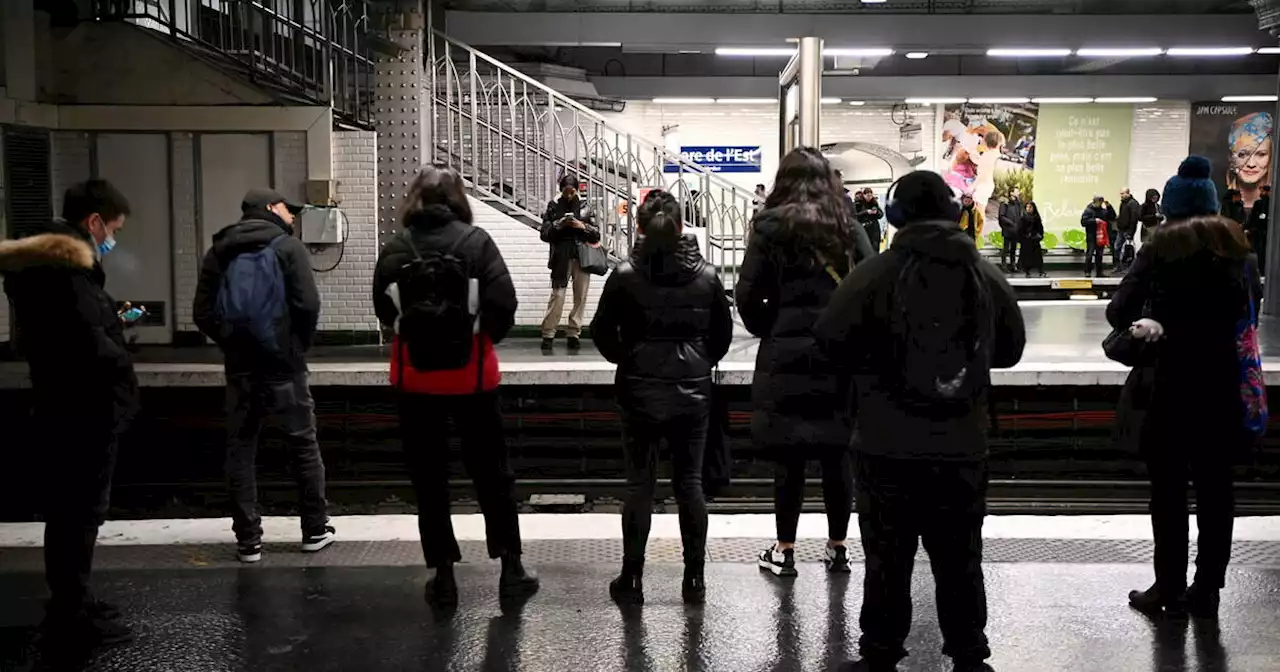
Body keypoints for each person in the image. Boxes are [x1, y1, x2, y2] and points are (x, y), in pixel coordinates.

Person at [816, 170, 1026, 672]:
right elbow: (1011, 350)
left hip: (887, 445)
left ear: (895, 216)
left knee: (888, 558)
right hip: (962, 445)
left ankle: (882, 652)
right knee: (960, 557)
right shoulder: (984, 274)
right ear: (954, 213)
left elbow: (829, 341)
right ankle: (969, 654)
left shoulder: (874, 274)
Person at [372, 163, 539, 607]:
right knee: (492, 475)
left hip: (415, 380)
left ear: (414, 199)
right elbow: (505, 303)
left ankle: (444, 576)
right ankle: (511, 570)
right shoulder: (476, 243)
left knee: (429, 478)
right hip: (473, 377)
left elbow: (385, 312)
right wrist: (480, 339)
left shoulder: (395, 248)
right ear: (458, 200)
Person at [1112, 155, 1255, 620]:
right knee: (1217, 492)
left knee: (1168, 492)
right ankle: (1208, 589)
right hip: (1221, 387)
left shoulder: (1159, 249)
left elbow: (1119, 311)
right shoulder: (1239, 253)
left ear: (1171, 206)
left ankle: (1168, 586)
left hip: (1167, 388)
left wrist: (1152, 319)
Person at [0, 180, 139, 650]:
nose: (111, 240)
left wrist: (108, 322)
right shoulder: (66, 272)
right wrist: (119, 358)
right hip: (83, 408)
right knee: (78, 513)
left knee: (71, 512)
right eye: (112, 230)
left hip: (66, 403)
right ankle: (70, 613)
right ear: (94, 222)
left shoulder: (44, 268)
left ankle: (73, 599)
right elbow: (86, 343)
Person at [591, 189, 734, 606]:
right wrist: (697, 361)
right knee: (690, 484)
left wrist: (630, 358)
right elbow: (721, 337)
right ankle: (694, 582)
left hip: (639, 389)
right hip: (692, 391)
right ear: (681, 226)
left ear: (638, 226)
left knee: (640, 484)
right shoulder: (706, 276)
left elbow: (601, 331)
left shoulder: (624, 274)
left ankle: (631, 580)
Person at [735, 147, 859, 578]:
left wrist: (774, 326)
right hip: (840, 354)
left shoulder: (769, 228)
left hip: (785, 355)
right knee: (836, 452)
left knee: (789, 456)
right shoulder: (847, 226)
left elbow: (748, 296)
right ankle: (839, 547)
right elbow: (867, 284)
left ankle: (785, 550)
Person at [193, 189, 332, 563]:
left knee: (241, 447)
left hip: (240, 367)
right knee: (302, 444)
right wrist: (295, 345)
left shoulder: (219, 251)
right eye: (289, 209)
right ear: (271, 208)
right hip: (284, 365)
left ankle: (249, 541)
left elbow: (201, 312)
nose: (292, 216)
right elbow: (308, 304)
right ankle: (315, 530)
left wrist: (231, 342)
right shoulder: (288, 248)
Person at [540, 174, 600, 353]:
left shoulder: (585, 207)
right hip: (561, 257)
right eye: (566, 190)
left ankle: (574, 333)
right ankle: (548, 333)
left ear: (576, 190)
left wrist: (582, 226)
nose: (568, 194)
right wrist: (558, 224)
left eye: (572, 191)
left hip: (582, 256)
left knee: (580, 296)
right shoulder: (553, 206)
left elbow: (596, 234)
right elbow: (544, 234)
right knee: (558, 295)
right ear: (561, 189)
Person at [1080, 195, 1116, 278]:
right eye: (1099, 202)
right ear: (1095, 202)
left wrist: (1109, 207)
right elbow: (1083, 222)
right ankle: (1087, 271)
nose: (1100, 204)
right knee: (1090, 253)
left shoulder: (1103, 211)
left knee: (1099, 254)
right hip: (1091, 235)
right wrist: (1094, 221)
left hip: (1101, 236)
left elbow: (1112, 217)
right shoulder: (1088, 210)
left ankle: (1099, 272)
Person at [997, 187, 1024, 272]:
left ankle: (1013, 265)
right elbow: (1001, 216)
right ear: (1011, 193)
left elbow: (1020, 215)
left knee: (1013, 248)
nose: (1019, 193)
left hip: (1016, 230)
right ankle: (1004, 265)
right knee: (1006, 249)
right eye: (1017, 191)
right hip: (1008, 229)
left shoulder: (1018, 203)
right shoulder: (1005, 203)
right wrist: (1011, 223)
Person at [1246, 184, 1271, 274]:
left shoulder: (1262, 203)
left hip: (1260, 232)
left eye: (1263, 191)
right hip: (1260, 232)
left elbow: (1252, 218)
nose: (1261, 193)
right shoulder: (1260, 203)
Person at [1019, 201, 1047, 278]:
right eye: (1027, 207)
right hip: (1026, 241)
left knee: (1038, 257)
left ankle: (1041, 271)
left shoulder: (1037, 218)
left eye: (1030, 207)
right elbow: (1020, 230)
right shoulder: (1023, 218)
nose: (1028, 209)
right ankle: (1027, 272)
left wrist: (1039, 236)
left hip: (1035, 240)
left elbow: (1040, 229)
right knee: (1026, 258)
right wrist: (1024, 237)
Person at [1117, 188, 1142, 270]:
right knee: (1118, 247)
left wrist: (1131, 232)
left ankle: (1128, 267)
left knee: (1128, 249)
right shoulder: (1123, 203)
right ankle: (1119, 266)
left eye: (1122, 193)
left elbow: (1134, 219)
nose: (1121, 195)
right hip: (1121, 229)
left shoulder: (1133, 203)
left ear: (1127, 193)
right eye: (1120, 193)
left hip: (1128, 230)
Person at [858, 188, 885, 253]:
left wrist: (876, 212)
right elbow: (855, 215)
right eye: (868, 196)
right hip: (864, 228)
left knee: (875, 248)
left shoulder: (874, 202)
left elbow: (881, 215)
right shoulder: (858, 203)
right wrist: (866, 212)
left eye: (870, 195)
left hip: (874, 230)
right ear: (864, 195)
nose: (869, 197)